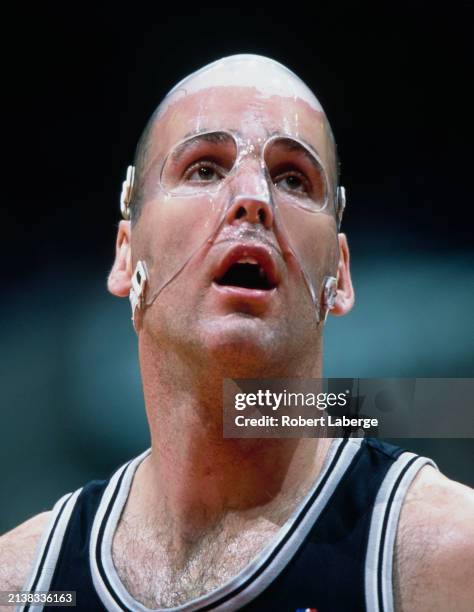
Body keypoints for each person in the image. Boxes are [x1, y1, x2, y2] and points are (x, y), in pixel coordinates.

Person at [1, 54, 473, 612]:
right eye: (204, 168)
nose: (253, 199)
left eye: (293, 177)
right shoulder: (22, 585)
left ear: (339, 277)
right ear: (126, 256)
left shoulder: (447, 557)